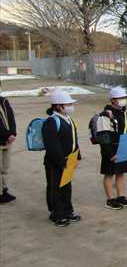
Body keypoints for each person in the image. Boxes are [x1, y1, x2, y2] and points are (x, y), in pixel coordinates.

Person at [43, 90, 82, 227]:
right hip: (56, 163)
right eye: (69, 103)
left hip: (69, 160)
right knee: (55, 188)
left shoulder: (68, 119)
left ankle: (67, 211)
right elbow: (52, 146)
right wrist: (62, 161)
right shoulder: (51, 122)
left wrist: (78, 156)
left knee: (66, 187)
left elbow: (74, 139)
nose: (71, 106)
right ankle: (56, 214)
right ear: (59, 106)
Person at [95, 86, 127, 210]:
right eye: (120, 98)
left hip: (125, 148)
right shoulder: (105, 115)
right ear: (113, 100)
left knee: (120, 173)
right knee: (109, 173)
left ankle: (121, 196)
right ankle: (110, 199)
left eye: (124, 97)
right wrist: (110, 154)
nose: (123, 100)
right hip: (111, 150)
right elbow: (103, 136)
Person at [0, 82, 17, 204]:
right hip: (2, 138)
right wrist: (7, 134)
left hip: (8, 140)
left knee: (5, 168)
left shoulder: (4, 101)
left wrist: (13, 133)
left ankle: (4, 189)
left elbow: (11, 118)